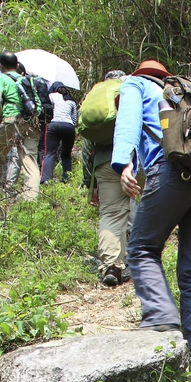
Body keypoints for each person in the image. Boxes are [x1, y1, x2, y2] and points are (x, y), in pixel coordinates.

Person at [114, 58, 191, 375]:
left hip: (173, 174)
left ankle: (162, 322)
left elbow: (128, 122)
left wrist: (123, 163)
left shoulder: (135, 84)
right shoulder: (184, 94)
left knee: (142, 248)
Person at [86, 71, 130, 285]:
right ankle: (141, 259)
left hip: (104, 164)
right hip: (132, 160)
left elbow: (87, 147)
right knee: (136, 207)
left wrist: (89, 183)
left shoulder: (97, 103)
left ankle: (112, 265)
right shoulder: (129, 93)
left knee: (111, 214)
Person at [0, 52, 40, 199]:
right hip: (31, 122)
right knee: (29, 161)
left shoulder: (0, 78)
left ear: (1, 66)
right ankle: (31, 198)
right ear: (17, 66)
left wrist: (0, 118)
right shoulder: (26, 79)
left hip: (11, 120)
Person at [42, 84, 78, 183]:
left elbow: (46, 108)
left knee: (49, 153)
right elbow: (74, 119)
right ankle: (67, 178)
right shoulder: (71, 101)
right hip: (69, 126)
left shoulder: (52, 96)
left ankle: (45, 179)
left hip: (54, 125)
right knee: (66, 155)